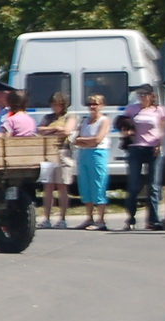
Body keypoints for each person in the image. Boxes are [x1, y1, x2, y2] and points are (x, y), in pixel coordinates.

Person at [120, 87, 164, 231]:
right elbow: (122, 124)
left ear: (151, 96)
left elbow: (164, 129)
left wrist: (160, 144)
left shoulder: (159, 110)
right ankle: (131, 218)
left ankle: (153, 220)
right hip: (135, 147)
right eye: (140, 95)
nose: (142, 97)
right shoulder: (132, 109)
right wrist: (126, 130)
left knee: (153, 186)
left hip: (153, 148)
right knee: (133, 185)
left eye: (145, 95)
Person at [37, 91, 77, 229]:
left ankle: (62, 218)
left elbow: (66, 131)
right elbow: (39, 130)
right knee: (47, 187)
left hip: (63, 152)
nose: (54, 107)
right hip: (48, 153)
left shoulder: (69, 117)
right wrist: (55, 128)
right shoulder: (48, 117)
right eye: (53, 104)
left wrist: (51, 130)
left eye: (57, 105)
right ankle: (46, 217)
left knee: (62, 186)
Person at [74, 95, 112, 230]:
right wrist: (85, 141)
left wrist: (84, 141)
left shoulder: (104, 120)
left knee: (98, 184)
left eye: (95, 104)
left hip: (98, 154)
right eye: (90, 104)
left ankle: (100, 220)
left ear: (102, 105)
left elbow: (98, 139)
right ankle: (88, 217)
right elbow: (75, 139)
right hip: (84, 154)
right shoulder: (84, 121)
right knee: (85, 185)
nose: (92, 106)